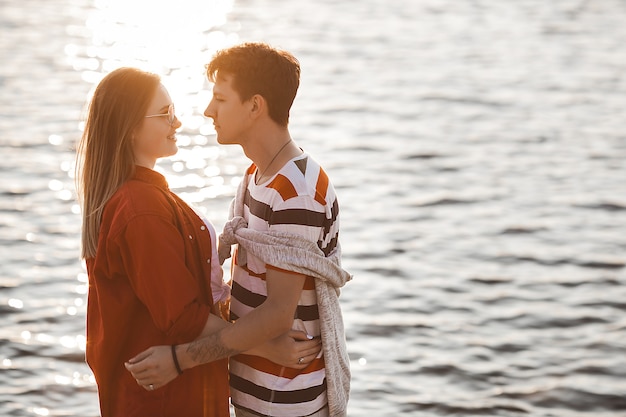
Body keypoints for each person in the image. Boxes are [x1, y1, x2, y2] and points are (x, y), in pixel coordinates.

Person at [76, 66, 319, 417]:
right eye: (165, 114)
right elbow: (182, 318)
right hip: (164, 401)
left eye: (173, 112)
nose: (177, 123)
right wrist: (266, 346)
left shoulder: (145, 195)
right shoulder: (140, 209)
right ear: (129, 129)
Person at [126, 42, 352, 417]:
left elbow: (278, 314)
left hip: (286, 403)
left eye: (220, 98)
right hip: (254, 394)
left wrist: (180, 359)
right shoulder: (256, 177)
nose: (208, 110)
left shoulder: (297, 190)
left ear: (254, 106)